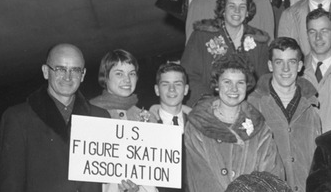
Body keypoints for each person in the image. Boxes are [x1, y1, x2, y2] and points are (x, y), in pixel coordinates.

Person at [0, 43, 109, 192]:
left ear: (82, 75)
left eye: (75, 70)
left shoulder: (100, 118)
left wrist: (127, 186)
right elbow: (11, 185)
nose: (68, 77)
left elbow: (109, 178)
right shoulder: (18, 118)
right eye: (60, 69)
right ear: (46, 71)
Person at [184, 54, 284, 191]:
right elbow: (199, 178)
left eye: (240, 83)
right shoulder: (197, 126)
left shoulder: (260, 128)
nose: (234, 89)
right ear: (217, 84)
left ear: (247, 85)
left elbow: (272, 177)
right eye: (227, 82)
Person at [247, 37, 321, 192]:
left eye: (292, 62)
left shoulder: (311, 108)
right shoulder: (253, 105)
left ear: (300, 65)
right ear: (270, 65)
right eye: (279, 62)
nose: (286, 69)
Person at [181, 0, 271, 106]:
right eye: (232, 6)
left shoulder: (259, 42)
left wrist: (248, 105)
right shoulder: (202, 36)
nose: (237, 11)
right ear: (223, 10)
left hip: (247, 108)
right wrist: (208, 102)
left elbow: (263, 82)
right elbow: (188, 74)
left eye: (242, 7)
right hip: (209, 107)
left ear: (248, 12)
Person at [89, 50, 155, 192]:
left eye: (131, 74)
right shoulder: (89, 114)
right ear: (105, 78)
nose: (127, 80)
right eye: (119, 73)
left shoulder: (148, 118)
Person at [148, 62, 191, 192]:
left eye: (177, 84)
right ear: (157, 89)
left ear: (186, 89)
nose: (172, 89)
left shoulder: (195, 125)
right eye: (165, 84)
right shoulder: (147, 127)